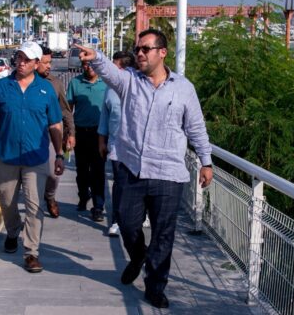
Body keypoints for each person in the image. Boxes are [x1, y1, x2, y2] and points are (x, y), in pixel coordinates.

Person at [76, 28, 213, 309]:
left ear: (162, 53)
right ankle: (137, 256)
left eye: (145, 49)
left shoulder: (184, 88)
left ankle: (155, 286)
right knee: (126, 223)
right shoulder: (129, 82)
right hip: (131, 169)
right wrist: (97, 57)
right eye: (137, 49)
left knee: (163, 233)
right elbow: (110, 74)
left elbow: (196, 128)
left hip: (168, 174)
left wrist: (206, 161)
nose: (139, 53)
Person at [0, 41, 64, 273]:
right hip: (6, 156)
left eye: (27, 59)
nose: (21, 62)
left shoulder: (46, 91)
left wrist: (59, 154)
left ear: (37, 63)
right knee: (7, 202)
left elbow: (55, 123)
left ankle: (31, 252)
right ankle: (13, 230)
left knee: (34, 206)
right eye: (18, 58)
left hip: (35, 159)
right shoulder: (1, 88)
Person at [97, 51, 135, 236]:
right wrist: (101, 140)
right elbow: (105, 115)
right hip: (115, 145)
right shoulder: (109, 89)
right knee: (120, 184)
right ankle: (117, 221)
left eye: (114, 66)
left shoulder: (138, 86)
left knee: (135, 185)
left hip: (136, 146)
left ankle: (138, 216)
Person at [35, 46, 75, 218]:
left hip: (51, 136)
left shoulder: (55, 83)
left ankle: (49, 197)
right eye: (45, 63)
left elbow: (65, 111)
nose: (49, 66)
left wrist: (71, 133)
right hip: (27, 137)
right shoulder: (19, 82)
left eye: (50, 62)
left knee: (53, 173)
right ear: (35, 63)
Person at [66, 59, 107, 222]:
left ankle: (98, 206)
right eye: (85, 64)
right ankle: (83, 196)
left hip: (100, 135)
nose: (88, 67)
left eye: (91, 64)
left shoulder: (106, 84)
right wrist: (69, 134)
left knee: (98, 171)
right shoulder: (75, 83)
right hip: (80, 133)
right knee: (81, 171)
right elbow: (68, 110)